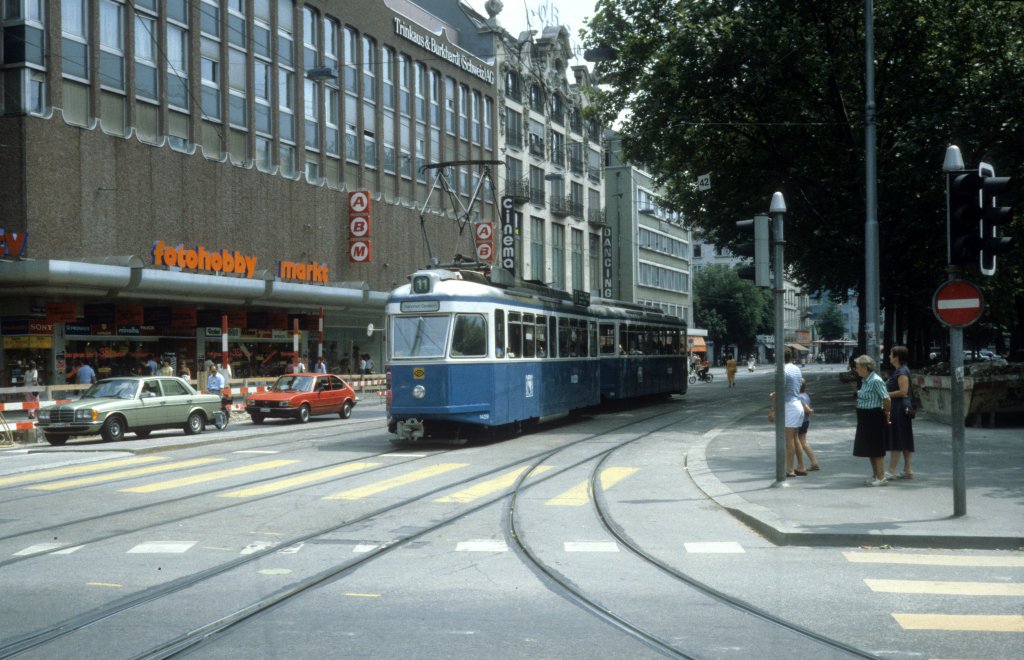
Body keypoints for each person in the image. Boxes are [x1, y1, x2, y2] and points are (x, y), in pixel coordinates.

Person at [852, 354, 892, 486]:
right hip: (865, 417)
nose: (855, 369)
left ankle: (881, 478)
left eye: (857, 367)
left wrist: (885, 412)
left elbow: (886, 398)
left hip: (873, 416)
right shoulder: (865, 380)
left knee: (876, 447)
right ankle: (876, 476)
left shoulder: (875, 380)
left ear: (866, 367)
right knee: (870, 448)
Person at [769, 348, 806, 477]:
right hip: (797, 404)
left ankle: (789, 469)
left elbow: (781, 389)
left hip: (790, 406)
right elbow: (796, 386)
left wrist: (773, 407)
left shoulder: (783, 370)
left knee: (788, 439)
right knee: (795, 438)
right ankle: (801, 466)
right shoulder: (796, 369)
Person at [886, 345, 915, 480]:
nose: (889, 357)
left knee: (897, 438)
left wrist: (885, 394)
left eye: (891, 354)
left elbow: (903, 391)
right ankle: (908, 469)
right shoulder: (899, 370)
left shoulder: (902, 372)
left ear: (897, 357)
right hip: (901, 407)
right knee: (905, 438)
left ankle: (892, 470)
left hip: (899, 407)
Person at [796, 379, 821, 471]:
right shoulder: (805, 395)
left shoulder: (799, 397)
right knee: (803, 443)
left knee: (795, 442)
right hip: (805, 421)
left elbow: (806, 408)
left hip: (799, 421)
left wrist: (809, 410)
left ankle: (800, 465)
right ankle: (814, 462)